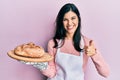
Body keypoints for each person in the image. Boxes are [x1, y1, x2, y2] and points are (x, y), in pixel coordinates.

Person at [21, 3, 110, 80]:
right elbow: (52, 73)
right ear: (61, 22)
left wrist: (94, 54)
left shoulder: (88, 44)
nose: (70, 23)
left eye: (73, 18)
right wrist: (38, 63)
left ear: (78, 19)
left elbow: (105, 73)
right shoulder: (53, 43)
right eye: (65, 20)